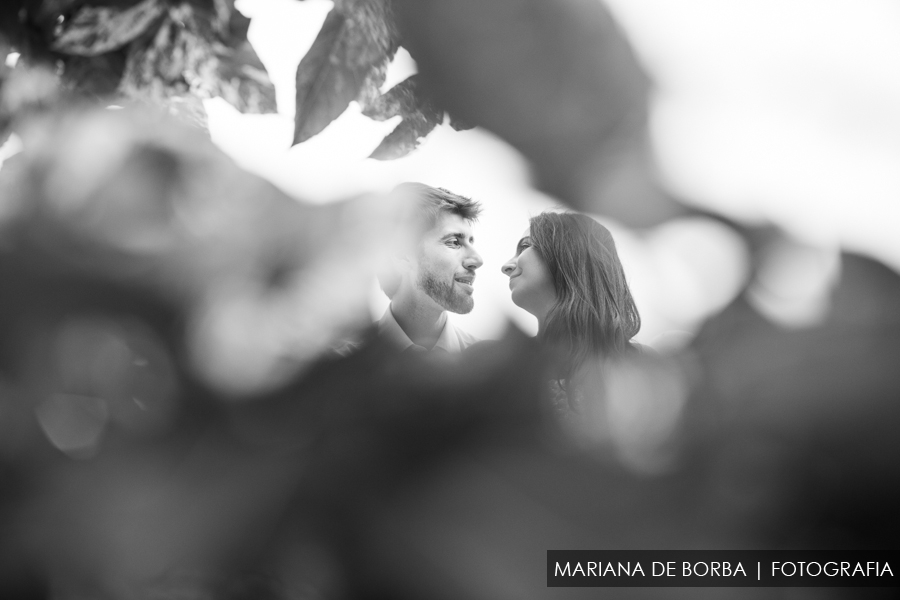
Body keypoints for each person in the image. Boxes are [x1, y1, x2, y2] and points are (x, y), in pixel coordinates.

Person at [500, 211, 641, 408]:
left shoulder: (640, 371)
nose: (506, 266)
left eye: (524, 246)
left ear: (568, 252)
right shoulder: (507, 369)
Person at [373, 182, 484, 352]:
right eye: (454, 242)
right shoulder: (339, 370)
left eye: (471, 242)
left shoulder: (486, 366)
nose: (477, 260)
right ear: (402, 255)